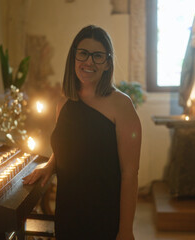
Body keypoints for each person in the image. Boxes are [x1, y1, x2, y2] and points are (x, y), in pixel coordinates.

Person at [23, 25, 141, 240]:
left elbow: (130, 175)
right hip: (68, 210)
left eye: (98, 56)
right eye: (83, 54)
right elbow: (67, 147)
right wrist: (50, 165)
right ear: (73, 57)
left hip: (103, 215)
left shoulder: (121, 105)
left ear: (107, 63)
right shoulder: (65, 102)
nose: (89, 62)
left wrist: (126, 230)